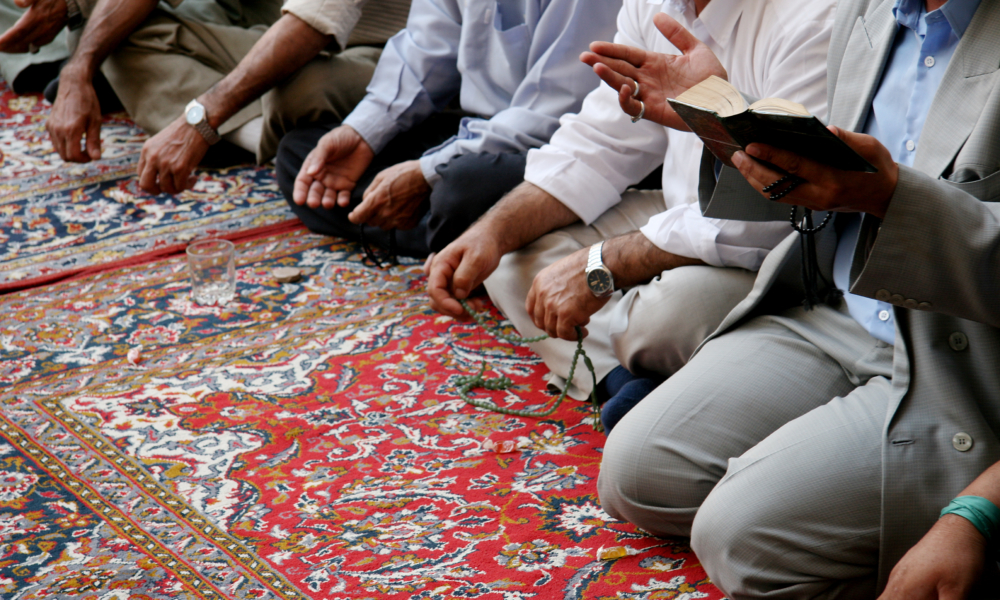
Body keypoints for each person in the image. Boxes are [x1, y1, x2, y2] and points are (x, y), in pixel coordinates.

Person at [593, 0, 1000, 597]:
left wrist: (891, 198)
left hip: (958, 355)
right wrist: (724, 121)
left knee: (741, 538)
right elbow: (824, 188)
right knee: (637, 474)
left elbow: (880, 191)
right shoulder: (868, 12)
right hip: (838, 309)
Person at [426, 0, 835, 420]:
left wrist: (603, 265)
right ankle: (624, 380)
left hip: (787, 246)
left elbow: (774, 216)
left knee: (663, 318)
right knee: (511, 259)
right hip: (682, 210)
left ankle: (658, 368)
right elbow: (603, 142)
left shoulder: (811, 17)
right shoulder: (655, 5)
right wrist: (490, 232)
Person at [274, 0, 620, 258]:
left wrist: (428, 172)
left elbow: (547, 117)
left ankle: (462, 234)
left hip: (559, 144)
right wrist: (364, 134)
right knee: (303, 155)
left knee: (458, 188)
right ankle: (476, 242)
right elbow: (424, 53)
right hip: (476, 135)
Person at [43, 0, 408, 174]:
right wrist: (78, 71)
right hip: (257, 22)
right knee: (98, 25)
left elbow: (310, 24)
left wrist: (199, 121)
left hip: (365, 44)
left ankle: (227, 127)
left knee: (300, 89)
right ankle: (253, 129)